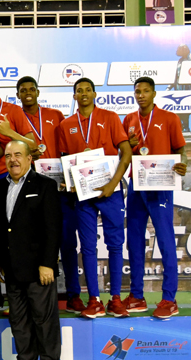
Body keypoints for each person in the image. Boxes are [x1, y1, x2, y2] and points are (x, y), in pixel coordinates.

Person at [58, 78, 132, 319]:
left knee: (114, 245)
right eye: (79, 91)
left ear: (95, 93)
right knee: (87, 247)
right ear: (74, 96)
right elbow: (65, 159)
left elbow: (127, 152)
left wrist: (113, 184)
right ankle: (94, 300)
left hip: (110, 192)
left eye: (88, 90)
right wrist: (69, 183)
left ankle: (116, 299)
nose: (84, 94)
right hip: (83, 194)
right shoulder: (66, 124)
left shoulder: (110, 118)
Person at [0, 140, 62, 360]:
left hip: (38, 268)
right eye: (9, 155)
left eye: (18, 155)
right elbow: (1, 229)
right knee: (19, 320)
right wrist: (0, 262)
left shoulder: (45, 185)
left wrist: (48, 263)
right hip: (11, 267)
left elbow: (52, 228)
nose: (13, 159)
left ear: (29, 159)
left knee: (44, 319)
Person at [15, 76, 84, 313]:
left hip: (59, 188)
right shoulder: (15, 117)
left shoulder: (55, 115)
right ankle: (30, 294)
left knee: (66, 241)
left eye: (31, 89)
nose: (27, 93)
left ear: (37, 91)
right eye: (22, 90)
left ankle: (74, 293)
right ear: (17, 94)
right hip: (29, 188)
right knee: (29, 242)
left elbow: (67, 148)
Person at [123, 76, 187, 319]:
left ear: (154, 93)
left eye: (145, 91)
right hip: (137, 185)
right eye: (137, 91)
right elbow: (124, 151)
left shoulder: (169, 118)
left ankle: (169, 298)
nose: (141, 95)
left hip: (160, 185)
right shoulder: (128, 119)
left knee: (165, 240)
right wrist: (128, 145)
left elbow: (180, 149)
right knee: (135, 241)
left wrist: (184, 164)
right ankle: (137, 296)